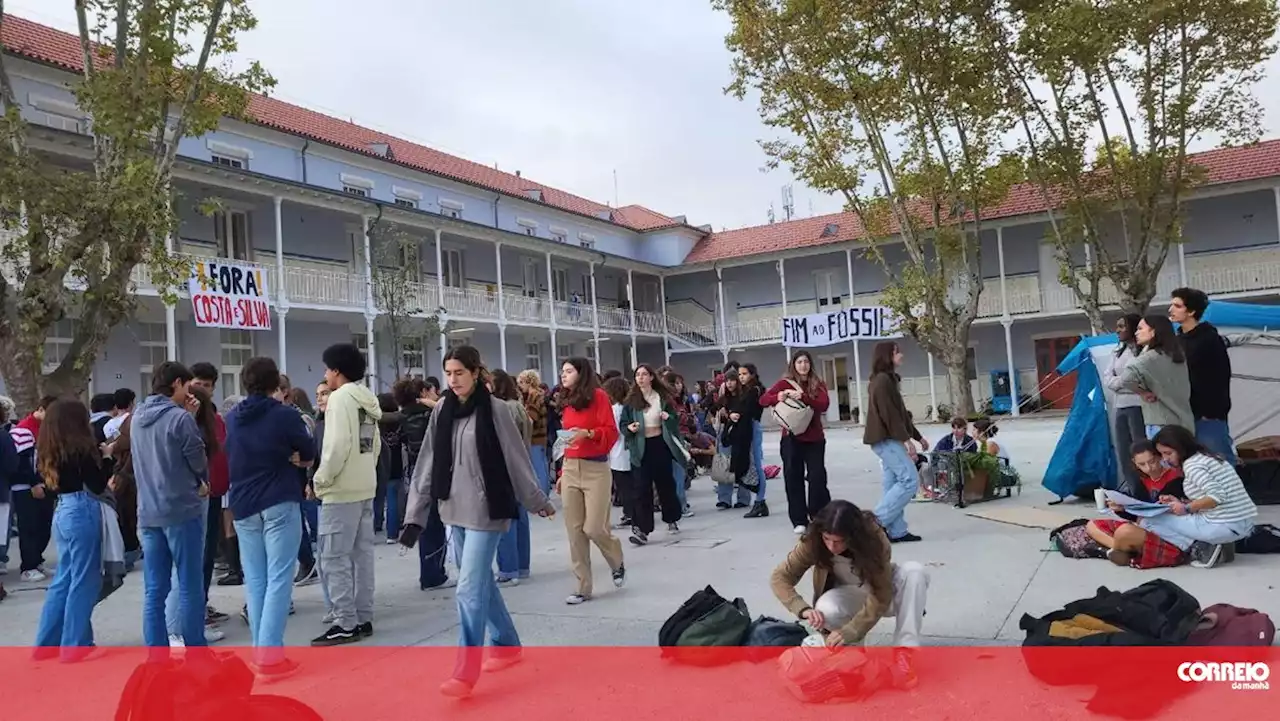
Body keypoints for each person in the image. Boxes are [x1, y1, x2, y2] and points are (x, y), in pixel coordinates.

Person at [400, 345, 555, 699]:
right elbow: (427, 463)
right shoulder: (442, 410)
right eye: (449, 373)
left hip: (488, 510)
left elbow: (517, 459)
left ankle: (464, 673)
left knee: (468, 589)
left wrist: (536, 500)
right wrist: (415, 516)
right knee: (481, 582)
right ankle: (506, 644)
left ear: (475, 372)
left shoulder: (496, 410)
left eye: (460, 373)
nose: (453, 380)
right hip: (453, 508)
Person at [769, 500, 928, 688]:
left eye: (838, 541)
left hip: (882, 592)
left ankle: (904, 654)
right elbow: (780, 577)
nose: (831, 546)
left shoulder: (874, 537)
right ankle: (852, 653)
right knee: (825, 608)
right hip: (849, 595)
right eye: (827, 539)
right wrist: (802, 609)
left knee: (915, 573)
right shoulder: (813, 541)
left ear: (853, 536)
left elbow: (881, 595)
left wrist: (852, 629)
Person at [225, 356, 315, 678]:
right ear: (274, 382)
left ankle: (262, 652)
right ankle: (270, 657)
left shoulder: (232, 417)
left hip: (244, 504)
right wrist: (295, 458)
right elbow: (308, 450)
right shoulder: (284, 416)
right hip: (278, 498)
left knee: (257, 580)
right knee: (279, 578)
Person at [1092, 426, 1255, 569]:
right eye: (1162, 454)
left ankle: (1197, 548)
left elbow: (1215, 497)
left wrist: (1186, 508)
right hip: (1239, 522)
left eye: (1167, 453)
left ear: (1181, 447)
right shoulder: (1207, 457)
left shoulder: (1192, 466)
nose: (1165, 459)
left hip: (1225, 524)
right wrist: (1181, 503)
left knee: (1147, 520)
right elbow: (1214, 495)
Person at [131, 361, 209, 649]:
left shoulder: (138, 416)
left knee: (154, 589)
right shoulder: (181, 419)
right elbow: (198, 461)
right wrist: (189, 417)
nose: (189, 392)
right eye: (187, 386)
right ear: (176, 383)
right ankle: (196, 649)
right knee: (189, 585)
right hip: (181, 510)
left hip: (148, 512)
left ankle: (156, 652)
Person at [311, 343, 382, 646]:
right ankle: (363, 616)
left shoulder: (339, 399)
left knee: (334, 558)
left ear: (337, 371)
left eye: (327, 369)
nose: (325, 374)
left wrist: (321, 479)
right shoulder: (367, 399)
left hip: (341, 491)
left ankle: (344, 620)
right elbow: (373, 445)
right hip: (365, 484)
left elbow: (336, 445)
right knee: (362, 555)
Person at [31, 399, 111, 662]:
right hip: (83, 508)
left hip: (63, 509)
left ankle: (46, 645)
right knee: (84, 579)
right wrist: (108, 458)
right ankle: (75, 644)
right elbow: (98, 485)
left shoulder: (48, 449)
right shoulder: (80, 449)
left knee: (63, 579)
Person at [558, 356, 627, 603]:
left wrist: (587, 433)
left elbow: (611, 433)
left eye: (568, 371)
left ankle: (616, 559)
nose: (563, 375)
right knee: (575, 531)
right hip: (569, 468)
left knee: (594, 528)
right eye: (562, 371)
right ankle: (582, 587)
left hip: (595, 468)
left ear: (581, 373)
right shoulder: (565, 400)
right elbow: (564, 440)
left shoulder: (599, 397)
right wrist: (561, 474)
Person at [161, 385, 225, 646]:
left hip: (200, 497)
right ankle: (175, 629)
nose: (190, 403)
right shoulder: (177, 422)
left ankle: (191, 627)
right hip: (187, 499)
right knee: (184, 570)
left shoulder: (199, 425)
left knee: (194, 569)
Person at [864, 342, 928, 544]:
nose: (901, 355)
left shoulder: (888, 379)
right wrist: (907, 441)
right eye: (897, 351)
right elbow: (889, 415)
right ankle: (875, 524)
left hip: (890, 437)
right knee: (910, 481)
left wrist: (917, 437)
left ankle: (897, 531)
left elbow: (901, 415)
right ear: (888, 355)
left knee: (892, 486)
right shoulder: (881, 381)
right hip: (885, 439)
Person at [762, 351, 831, 529]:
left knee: (817, 477)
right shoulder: (784, 383)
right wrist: (778, 397)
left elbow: (824, 404)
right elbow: (763, 400)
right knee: (793, 478)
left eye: (806, 361)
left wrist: (805, 397)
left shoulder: (817, 383)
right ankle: (799, 520)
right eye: (799, 362)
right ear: (793, 364)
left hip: (814, 438)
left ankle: (818, 514)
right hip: (791, 438)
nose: (803, 365)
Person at [394, 377, 451, 590]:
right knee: (436, 525)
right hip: (435, 472)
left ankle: (428, 573)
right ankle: (435, 575)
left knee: (424, 522)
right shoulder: (430, 413)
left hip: (415, 474)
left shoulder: (401, 418)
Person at [619, 364, 683, 549]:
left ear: (651, 377)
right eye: (637, 375)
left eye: (644, 374)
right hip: (640, 447)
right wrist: (630, 429)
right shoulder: (631, 402)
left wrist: (667, 418)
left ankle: (671, 517)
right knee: (641, 489)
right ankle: (642, 529)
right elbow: (623, 425)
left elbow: (674, 420)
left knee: (665, 485)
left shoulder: (661, 398)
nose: (640, 378)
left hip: (660, 445)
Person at [1170, 288, 1236, 464]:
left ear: (1191, 311)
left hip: (1207, 414)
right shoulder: (1177, 340)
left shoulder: (1209, 339)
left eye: (1177, 306)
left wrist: (1213, 411)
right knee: (1194, 465)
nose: (1171, 309)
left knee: (1220, 462)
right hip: (1184, 414)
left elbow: (1221, 375)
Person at [189, 363, 231, 627]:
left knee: (208, 556)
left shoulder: (215, 419)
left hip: (215, 492)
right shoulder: (184, 417)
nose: (202, 390)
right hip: (194, 495)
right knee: (198, 556)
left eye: (207, 385)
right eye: (198, 384)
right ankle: (194, 609)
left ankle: (201, 602)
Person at [1104, 314, 1193, 438]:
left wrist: (1141, 392)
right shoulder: (1176, 355)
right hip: (1182, 418)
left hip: (1157, 418)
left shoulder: (1147, 357)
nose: (1136, 333)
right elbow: (1109, 378)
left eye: (1140, 329)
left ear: (1153, 332)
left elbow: (1127, 378)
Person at [491, 370, 532, 585]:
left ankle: (508, 568)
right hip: (521, 463)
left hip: (504, 467)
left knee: (505, 519)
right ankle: (522, 565)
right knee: (520, 516)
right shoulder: (518, 406)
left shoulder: (500, 409)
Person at [9, 395, 56, 581]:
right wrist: (34, 483)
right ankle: (27, 567)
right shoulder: (23, 430)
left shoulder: (45, 429)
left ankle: (36, 561)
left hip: (44, 484)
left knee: (43, 526)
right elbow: (22, 463)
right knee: (29, 526)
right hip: (26, 487)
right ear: (41, 409)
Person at [1106, 314, 1147, 496]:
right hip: (1120, 406)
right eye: (1117, 326)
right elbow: (1108, 378)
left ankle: (1147, 489)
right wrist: (1123, 384)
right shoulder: (1117, 352)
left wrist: (1122, 383)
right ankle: (1133, 489)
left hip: (1139, 406)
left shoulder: (1144, 351)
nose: (1118, 330)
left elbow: (1140, 380)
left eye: (1122, 326)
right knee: (1124, 451)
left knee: (1141, 449)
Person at [709, 372, 753, 512]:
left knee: (743, 465)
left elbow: (749, 412)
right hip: (726, 435)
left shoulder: (745, 396)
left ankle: (743, 498)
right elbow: (711, 409)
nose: (729, 383)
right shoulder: (724, 398)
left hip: (742, 435)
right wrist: (724, 414)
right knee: (724, 465)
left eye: (732, 380)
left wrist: (732, 414)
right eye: (727, 381)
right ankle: (724, 499)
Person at [603, 377, 635, 528]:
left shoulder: (614, 410)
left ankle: (629, 513)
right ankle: (632, 512)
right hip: (627, 450)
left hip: (617, 451)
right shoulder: (629, 408)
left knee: (623, 486)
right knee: (630, 485)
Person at [375, 393, 405, 545]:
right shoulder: (400, 419)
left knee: (377, 497)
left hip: (378, 462)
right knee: (392, 498)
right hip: (396, 462)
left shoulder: (375, 419)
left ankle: (376, 525)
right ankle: (392, 534)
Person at [517, 370, 551, 496]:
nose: (520, 386)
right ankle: (543, 494)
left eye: (521, 382)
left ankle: (542, 496)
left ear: (528, 382)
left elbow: (531, 418)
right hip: (539, 437)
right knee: (541, 466)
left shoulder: (534, 397)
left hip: (535, 437)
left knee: (538, 467)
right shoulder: (537, 395)